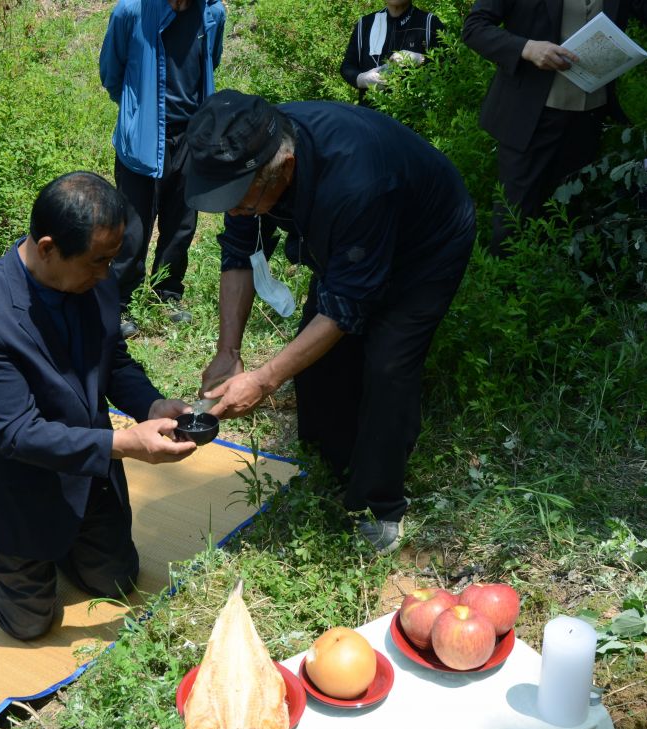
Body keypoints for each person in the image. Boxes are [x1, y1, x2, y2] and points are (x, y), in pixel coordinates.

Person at [183, 90, 475, 555]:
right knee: (318, 362)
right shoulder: (248, 157)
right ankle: (330, 464)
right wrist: (228, 352)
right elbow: (240, 252)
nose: (234, 210)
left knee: (387, 365)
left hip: (425, 245)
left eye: (240, 202)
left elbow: (344, 308)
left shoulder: (356, 182)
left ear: (285, 170)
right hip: (352, 241)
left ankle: (379, 505)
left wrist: (264, 380)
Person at [0, 172, 197, 640]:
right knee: (32, 624)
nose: (107, 274)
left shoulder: (94, 277)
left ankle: (62, 543)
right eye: (98, 261)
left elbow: (112, 359)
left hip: (87, 470)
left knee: (117, 581)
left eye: (112, 259)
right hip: (18, 481)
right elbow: (17, 433)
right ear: (47, 248)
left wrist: (152, 404)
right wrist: (124, 444)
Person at [462, 0, 647, 255]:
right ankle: (505, 276)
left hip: (588, 118)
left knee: (569, 217)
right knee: (515, 220)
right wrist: (527, 48)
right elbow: (475, 28)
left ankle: (560, 275)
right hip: (529, 116)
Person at [99, 0, 226, 338]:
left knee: (182, 224)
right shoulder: (131, 11)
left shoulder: (212, 12)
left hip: (191, 135)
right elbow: (111, 71)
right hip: (142, 137)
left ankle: (166, 295)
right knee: (132, 228)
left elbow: (211, 61)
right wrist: (135, 112)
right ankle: (119, 303)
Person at [340, 0, 446, 105]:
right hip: (368, 113)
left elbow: (448, 67)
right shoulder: (365, 24)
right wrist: (362, 79)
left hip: (415, 112)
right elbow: (347, 67)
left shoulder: (429, 23)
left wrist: (420, 59)